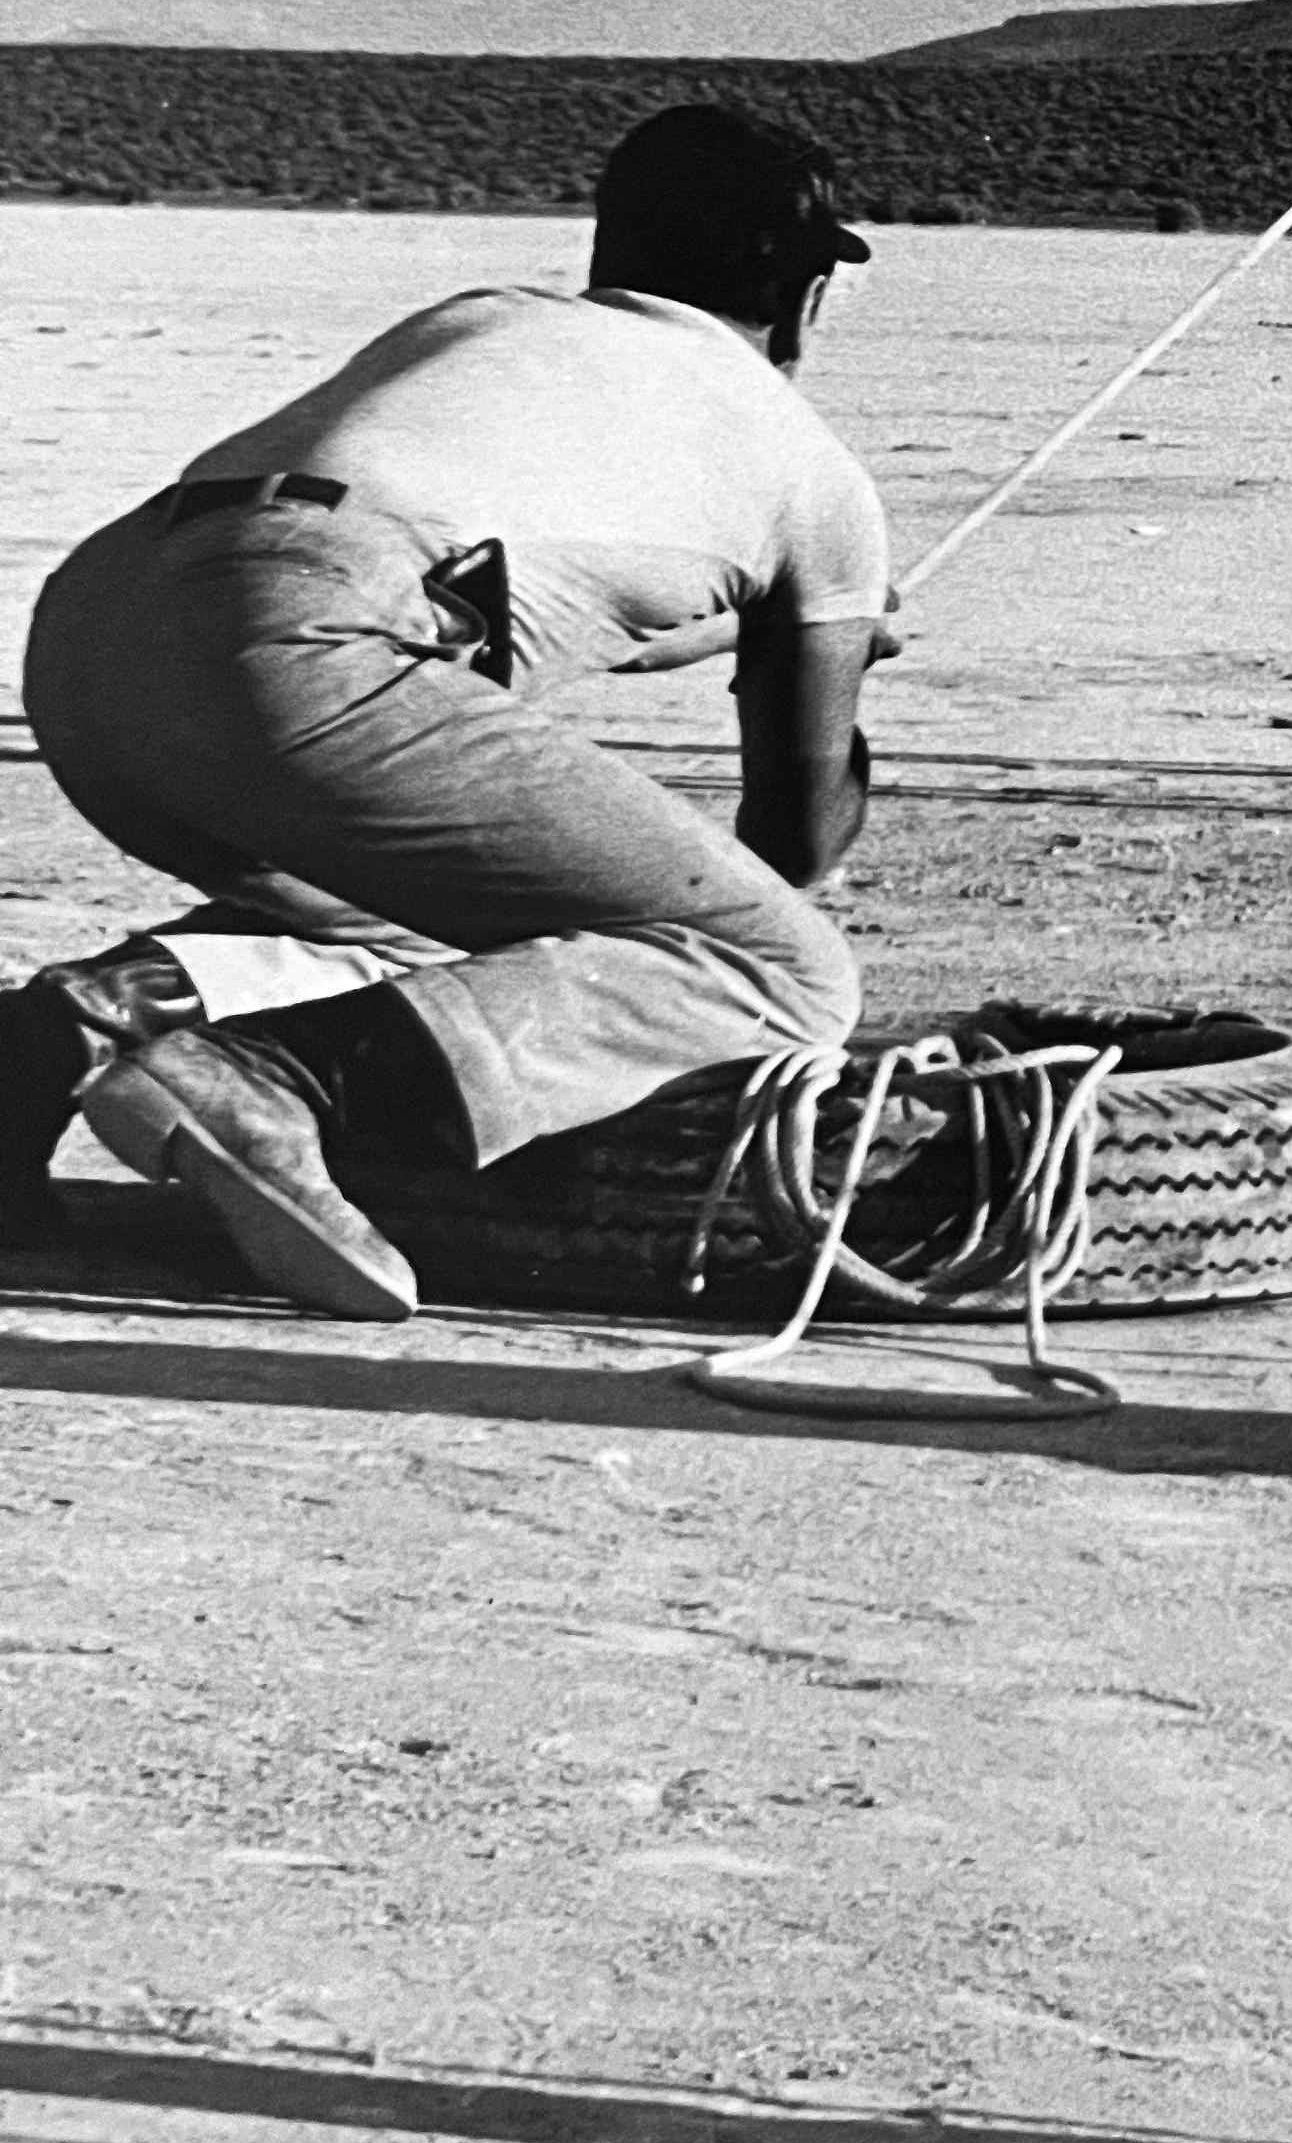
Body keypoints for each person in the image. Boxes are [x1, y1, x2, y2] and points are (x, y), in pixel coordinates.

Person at [5, 103, 896, 1326]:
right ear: (808, 299)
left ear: (611, 250)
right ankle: (265, 1083)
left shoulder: (483, 321)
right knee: (782, 967)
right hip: (305, 644)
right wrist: (841, 658)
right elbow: (794, 841)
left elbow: (507, 557)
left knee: (450, 921)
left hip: (95, 635)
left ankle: (67, 1037)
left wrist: (740, 635)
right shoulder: (814, 472)